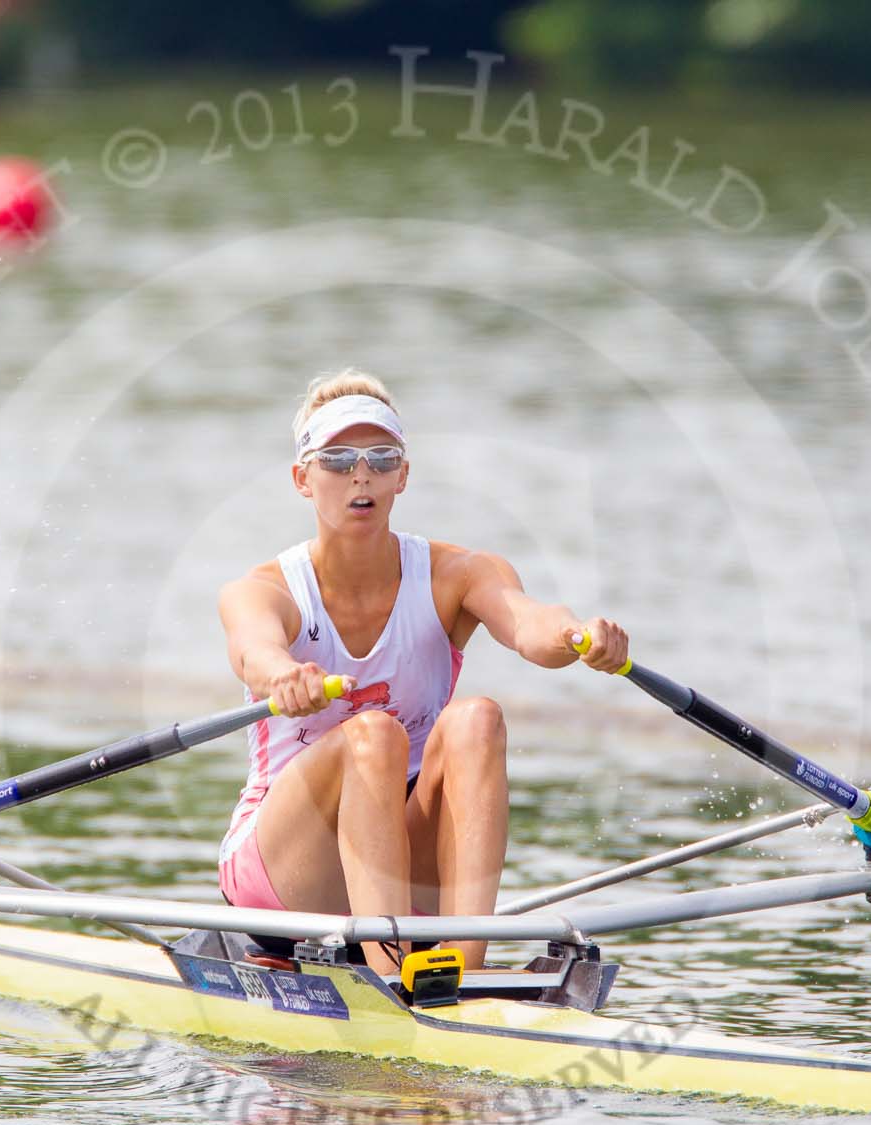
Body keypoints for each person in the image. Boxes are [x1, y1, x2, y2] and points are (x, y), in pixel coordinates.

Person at [216, 369, 630, 974]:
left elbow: (530, 624)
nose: (361, 475)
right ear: (303, 478)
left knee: (478, 719)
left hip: (403, 861)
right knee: (373, 734)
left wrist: (577, 636)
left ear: (402, 475)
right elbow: (255, 651)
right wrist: (282, 675)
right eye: (338, 460)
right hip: (285, 880)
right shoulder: (263, 589)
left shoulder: (457, 573)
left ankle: (461, 973)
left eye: (381, 459)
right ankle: (391, 978)